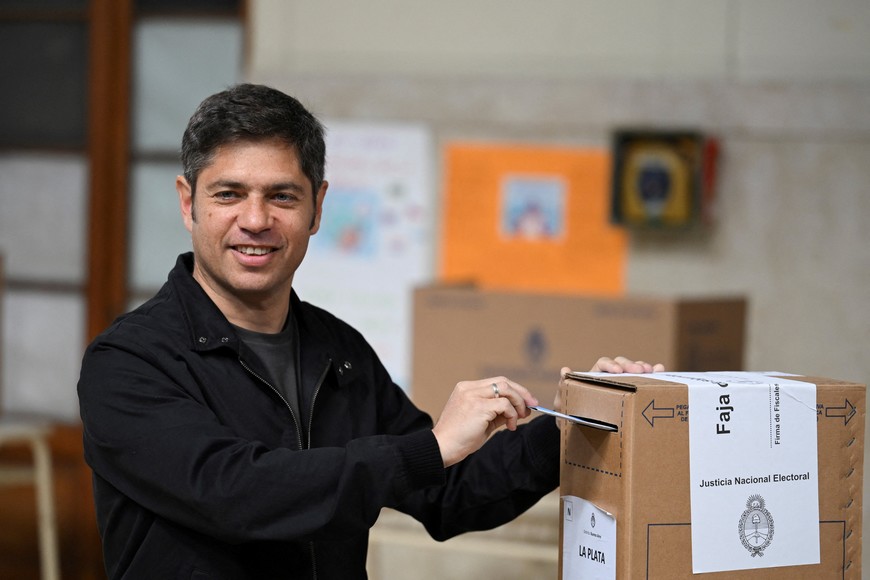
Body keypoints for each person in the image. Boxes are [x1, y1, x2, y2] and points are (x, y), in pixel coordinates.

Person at [77, 83, 662, 580]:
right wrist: (427, 448)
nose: (255, 220)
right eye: (229, 194)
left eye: (282, 196)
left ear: (318, 208)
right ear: (188, 203)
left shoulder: (339, 352)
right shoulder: (128, 363)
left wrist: (578, 424)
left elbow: (449, 493)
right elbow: (237, 493)